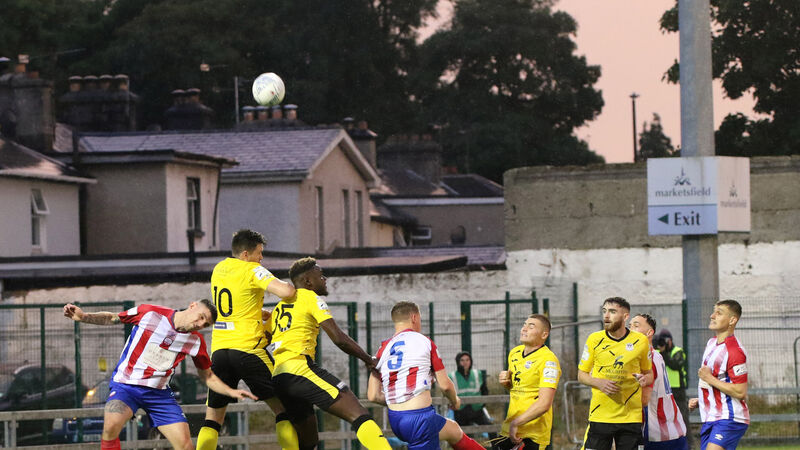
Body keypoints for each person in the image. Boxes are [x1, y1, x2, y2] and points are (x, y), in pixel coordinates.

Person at [63, 300, 257, 450]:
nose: (200, 324)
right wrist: (83, 316)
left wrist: (231, 392)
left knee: (185, 445)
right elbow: (113, 318)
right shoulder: (150, 313)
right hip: (126, 386)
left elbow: (207, 377)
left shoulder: (195, 342)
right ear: (192, 306)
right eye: (200, 317)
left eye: (205, 324)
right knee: (110, 426)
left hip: (159, 395)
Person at [269, 257, 392, 450]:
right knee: (358, 414)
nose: (325, 279)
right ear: (308, 281)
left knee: (308, 442)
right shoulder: (309, 297)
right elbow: (339, 338)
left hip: (279, 377)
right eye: (321, 275)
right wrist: (369, 359)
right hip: (299, 369)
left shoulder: (279, 307)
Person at [197, 229, 299, 450]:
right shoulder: (253, 270)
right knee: (286, 408)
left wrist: (256, 311)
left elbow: (235, 300)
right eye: (259, 253)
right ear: (245, 254)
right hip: (249, 350)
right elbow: (286, 292)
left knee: (213, 418)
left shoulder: (219, 268)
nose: (261, 258)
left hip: (220, 350)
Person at [367, 301, 484, 450]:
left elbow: (373, 396)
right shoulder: (424, 342)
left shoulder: (383, 348)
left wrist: (399, 401)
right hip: (419, 419)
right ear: (414, 317)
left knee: (453, 431)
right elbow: (445, 386)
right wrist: (455, 400)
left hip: (396, 420)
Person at [577, 297, 653, 450]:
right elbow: (581, 375)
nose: (606, 316)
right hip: (600, 415)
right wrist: (599, 382)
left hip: (630, 416)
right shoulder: (594, 339)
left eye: (612, 312)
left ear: (625, 317)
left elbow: (649, 373)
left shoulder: (640, 341)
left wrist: (645, 380)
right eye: (604, 311)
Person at [688, 299, 749, 450]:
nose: (712, 316)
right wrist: (702, 398)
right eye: (713, 311)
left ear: (732, 320)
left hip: (729, 418)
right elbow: (718, 380)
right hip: (711, 417)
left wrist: (709, 379)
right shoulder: (711, 343)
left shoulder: (735, 351)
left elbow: (740, 391)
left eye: (719, 313)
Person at [494, 314, 561, 450]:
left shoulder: (549, 361)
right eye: (524, 325)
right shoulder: (514, 353)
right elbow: (517, 389)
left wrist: (516, 423)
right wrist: (506, 383)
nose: (524, 329)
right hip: (509, 429)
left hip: (533, 434)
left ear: (544, 335)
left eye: (531, 326)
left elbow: (544, 403)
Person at [629, 314, 688, 449]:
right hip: (672, 426)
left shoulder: (646, 358)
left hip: (657, 433)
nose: (630, 329)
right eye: (629, 326)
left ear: (650, 332)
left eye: (636, 326)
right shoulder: (656, 354)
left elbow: (644, 399)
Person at [655, 328, 691, 446]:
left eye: (665, 340)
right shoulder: (658, 352)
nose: (664, 343)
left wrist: (664, 352)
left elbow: (675, 365)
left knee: (683, 418)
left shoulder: (678, 351)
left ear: (670, 340)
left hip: (678, 390)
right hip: (664, 390)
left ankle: (688, 445)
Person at [448, 351, 496, 439]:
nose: (465, 362)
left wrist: (482, 404)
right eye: (462, 360)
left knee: (492, 429)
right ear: (458, 362)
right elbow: (448, 393)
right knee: (462, 436)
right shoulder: (452, 376)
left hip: (476, 409)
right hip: (460, 411)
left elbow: (484, 390)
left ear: (471, 361)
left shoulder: (478, 374)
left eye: (467, 360)